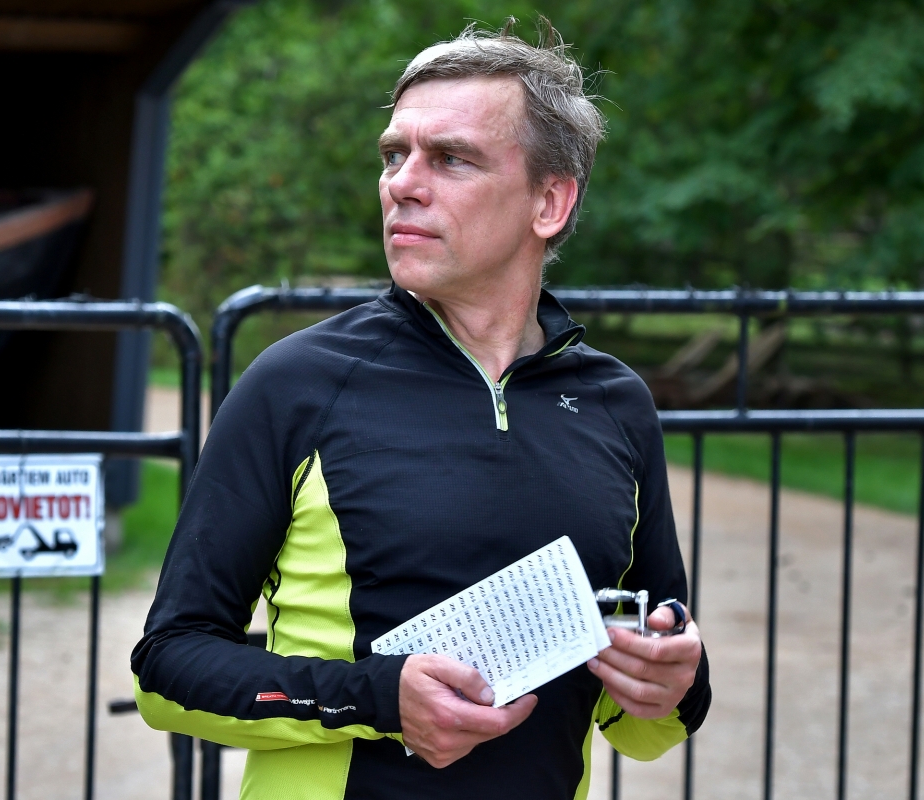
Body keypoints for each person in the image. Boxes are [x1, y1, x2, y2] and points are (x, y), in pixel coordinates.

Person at [132, 19, 710, 799]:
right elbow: (167, 669)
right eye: (393, 154)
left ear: (549, 201)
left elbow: (639, 721)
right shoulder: (298, 383)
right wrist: (373, 699)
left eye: (450, 158)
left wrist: (673, 682)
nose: (402, 182)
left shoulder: (616, 406)